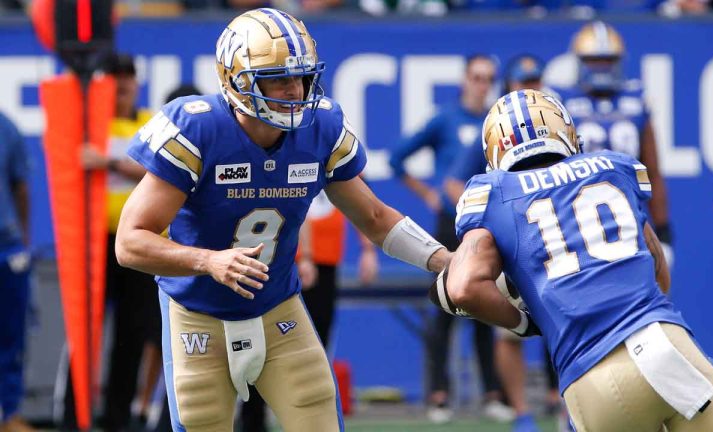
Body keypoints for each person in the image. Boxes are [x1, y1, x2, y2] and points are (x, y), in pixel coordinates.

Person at [114, 8, 450, 432]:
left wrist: (447, 262)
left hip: (278, 308)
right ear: (236, 80)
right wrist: (209, 261)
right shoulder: (199, 129)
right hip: (197, 313)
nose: (294, 90)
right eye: (277, 78)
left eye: (302, 77)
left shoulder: (319, 128)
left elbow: (376, 217)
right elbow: (129, 242)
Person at [430, 88, 713, 431]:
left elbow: (462, 287)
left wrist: (524, 323)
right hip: (663, 345)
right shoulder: (613, 167)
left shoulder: (492, 194)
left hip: (589, 379)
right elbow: (659, 270)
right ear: (566, 131)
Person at [389, 54, 511, 424]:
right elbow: (397, 158)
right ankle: (439, 395)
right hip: (451, 221)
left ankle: (492, 393)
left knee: (486, 304)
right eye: (476, 77)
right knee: (444, 308)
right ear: (464, 80)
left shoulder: (494, 122)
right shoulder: (445, 119)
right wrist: (429, 194)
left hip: (485, 224)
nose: (481, 85)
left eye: (488, 78)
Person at [443, 55, 548, 432]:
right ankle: (521, 411)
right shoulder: (497, 125)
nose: (529, 87)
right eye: (523, 81)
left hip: (555, 236)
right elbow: (455, 183)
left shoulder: (556, 116)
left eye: (534, 80)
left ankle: (566, 401)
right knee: (511, 330)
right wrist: (486, 226)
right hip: (517, 243)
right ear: (510, 84)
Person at [239, 191, 379, 432]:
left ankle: (303, 419)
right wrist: (305, 255)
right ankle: (253, 421)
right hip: (284, 260)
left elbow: (360, 202)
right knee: (264, 342)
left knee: (315, 344)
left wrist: (367, 249)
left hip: (323, 262)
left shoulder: (335, 167)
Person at [77, 53, 165, 432]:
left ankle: (118, 419)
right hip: (96, 242)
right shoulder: (90, 124)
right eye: (115, 78)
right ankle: (75, 415)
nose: (123, 85)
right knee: (84, 332)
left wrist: (108, 163)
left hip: (138, 241)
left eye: (128, 77)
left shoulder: (151, 123)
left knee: (133, 334)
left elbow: (158, 170)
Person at [555, 21, 673, 266]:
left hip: (629, 217)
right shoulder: (562, 101)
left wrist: (662, 230)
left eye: (607, 60)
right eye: (594, 60)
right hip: (578, 220)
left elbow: (652, 171)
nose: (601, 67)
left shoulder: (636, 100)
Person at [0, 111, 34, 432]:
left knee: (10, 337)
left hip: (6, 248)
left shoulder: (6, 127)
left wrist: (22, 242)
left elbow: (20, 188)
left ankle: (8, 414)